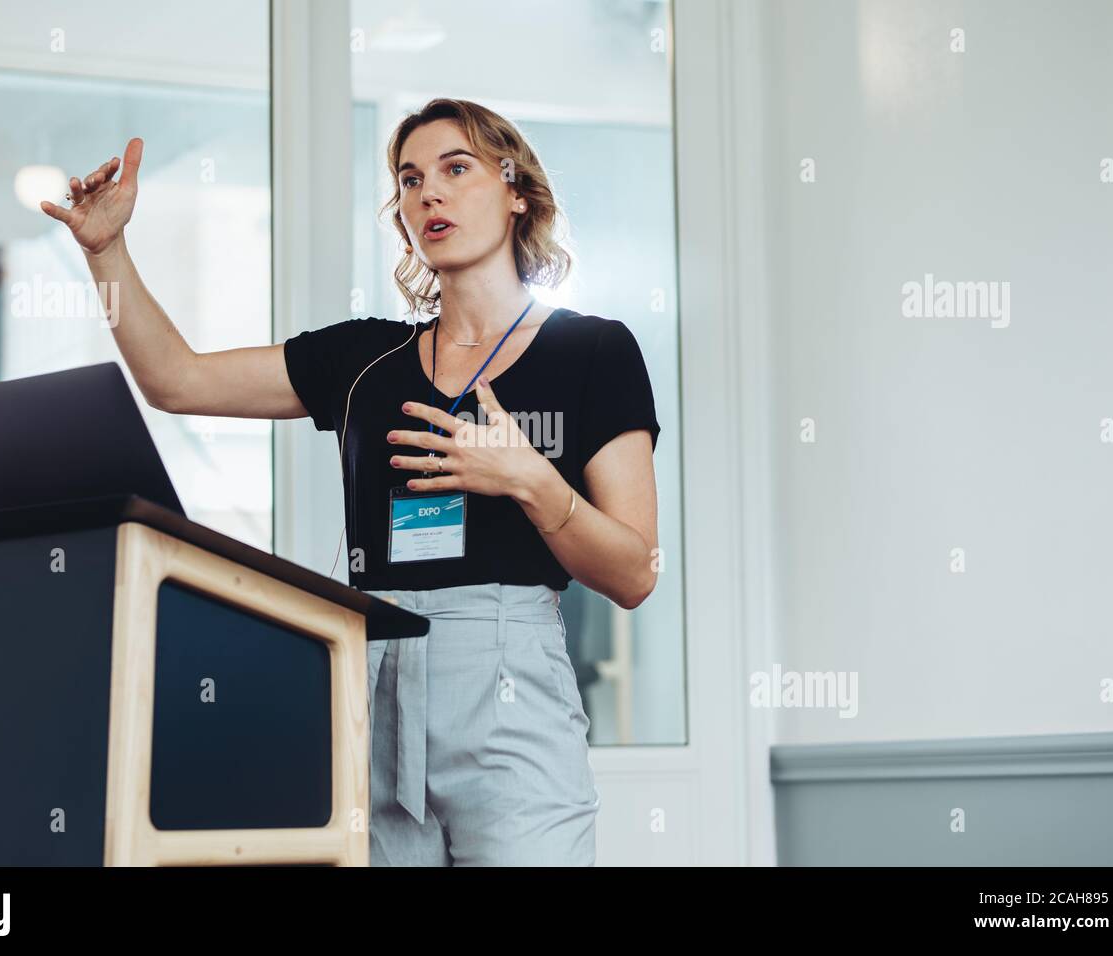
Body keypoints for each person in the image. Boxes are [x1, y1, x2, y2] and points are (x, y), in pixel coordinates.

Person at [40, 97, 661, 866]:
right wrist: (106, 254)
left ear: (516, 192)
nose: (428, 192)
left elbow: (635, 573)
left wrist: (532, 482)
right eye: (409, 180)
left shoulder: (593, 352)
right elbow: (176, 380)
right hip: (368, 675)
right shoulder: (364, 359)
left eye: (455, 169)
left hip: (510, 687)